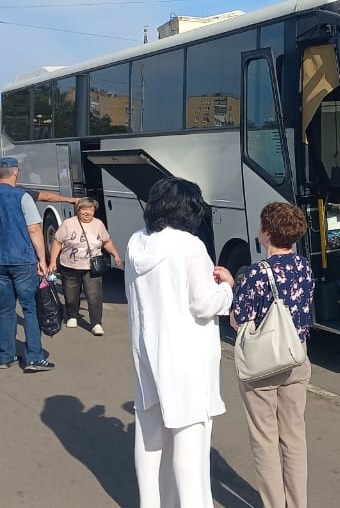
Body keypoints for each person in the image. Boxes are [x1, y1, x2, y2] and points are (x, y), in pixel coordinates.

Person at [125, 177, 234, 508]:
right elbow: (203, 303)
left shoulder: (136, 243)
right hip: (186, 355)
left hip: (147, 351)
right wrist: (227, 289)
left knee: (149, 436)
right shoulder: (190, 246)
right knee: (191, 444)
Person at [230, 202, 315, 508]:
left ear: (266, 233)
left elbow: (238, 318)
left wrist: (233, 286)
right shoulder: (304, 266)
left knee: (265, 440)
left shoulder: (256, 273)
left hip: (263, 364)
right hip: (296, 357)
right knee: (294, 437)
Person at [0, 156, 55, 372]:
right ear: (16, 173)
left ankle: (5, 356)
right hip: (22, 259)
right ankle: (34, 357)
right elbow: (34, 229)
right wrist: (43, 260)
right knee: (29, 308)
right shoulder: (23, 196)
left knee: (5, 308)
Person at [48, 197, 123, 336]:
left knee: (94, 296)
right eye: (84, 209)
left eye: (91, 209)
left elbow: (106, 241)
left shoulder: (98, 224)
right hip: (69, 266)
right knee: (71, 295)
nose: (88, 213)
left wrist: (116, 255)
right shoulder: (68, 224)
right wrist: (53, 262)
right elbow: (57, 242)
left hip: (91, 267)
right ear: (78, 210)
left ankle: (96, 323)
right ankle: (72, 315)